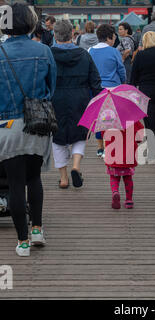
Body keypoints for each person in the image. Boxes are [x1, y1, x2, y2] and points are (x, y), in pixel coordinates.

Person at [0, 3, 57, 257]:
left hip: (6, 125)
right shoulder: (44, 51)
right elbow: (51, 88)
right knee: (34, 178)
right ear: (31, 22)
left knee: (14, 184)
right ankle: (37, 229)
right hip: (37, 123)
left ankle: (22, 242)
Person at [51, 20, 102, 189]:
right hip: (80, 98)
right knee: (80, 133)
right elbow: (95, 81)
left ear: (54, 35)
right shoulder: (84, 54)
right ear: (72, 34)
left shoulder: (49, 54)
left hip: (56, 98)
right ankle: (76, 166)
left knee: (58, 138)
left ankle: (64, 178)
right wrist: (98, 101)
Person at [130, 31, 155, 161]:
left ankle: (152, 153)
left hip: (146, 94)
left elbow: (133, 78)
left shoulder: (140, 55)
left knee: (150, 124)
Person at [89, 24, 126, 158]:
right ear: (109, 37)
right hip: (113, 89)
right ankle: (110, 146)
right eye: (114, 36)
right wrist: (123, 83)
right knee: (112, 119)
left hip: (97, 90)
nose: (115, 39)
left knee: (99, 119)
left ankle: (100, 148)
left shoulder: (90, 51)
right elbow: (121, 70)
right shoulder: (114, 51)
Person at [101, 120, 144, 210]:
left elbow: (103, 135)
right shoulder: (132, 118)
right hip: (129, 155)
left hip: (113, 154)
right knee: (128, 178)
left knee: (114, 177)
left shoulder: (109, 120)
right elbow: (140, 134)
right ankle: (129, 200)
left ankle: (115, 191)